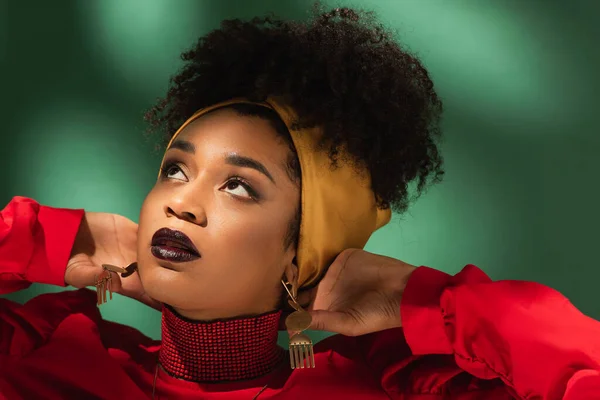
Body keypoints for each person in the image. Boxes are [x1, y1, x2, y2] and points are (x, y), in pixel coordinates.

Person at [1, 6, 599, 400]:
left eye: (239, 185)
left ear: (300, 254)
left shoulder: (382, 390)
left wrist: (428, 301)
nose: (180, 204)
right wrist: (55, 241)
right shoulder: (46, 349)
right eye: (176, 170)